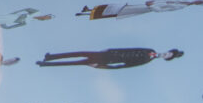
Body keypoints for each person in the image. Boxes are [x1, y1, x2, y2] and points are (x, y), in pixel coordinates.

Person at [36, 47, 183, 69]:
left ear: (165, 59)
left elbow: (123, 66)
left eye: (168, 56)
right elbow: (129, 49)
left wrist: (101, 66)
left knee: (77, 62)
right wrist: (110, 50)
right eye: (168, 53)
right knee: (79, 53)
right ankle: (51, 57)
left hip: (107, 61)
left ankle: (45, 64)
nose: (166, 54)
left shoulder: (146, 60)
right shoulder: (150, 50)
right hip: (108, 53)